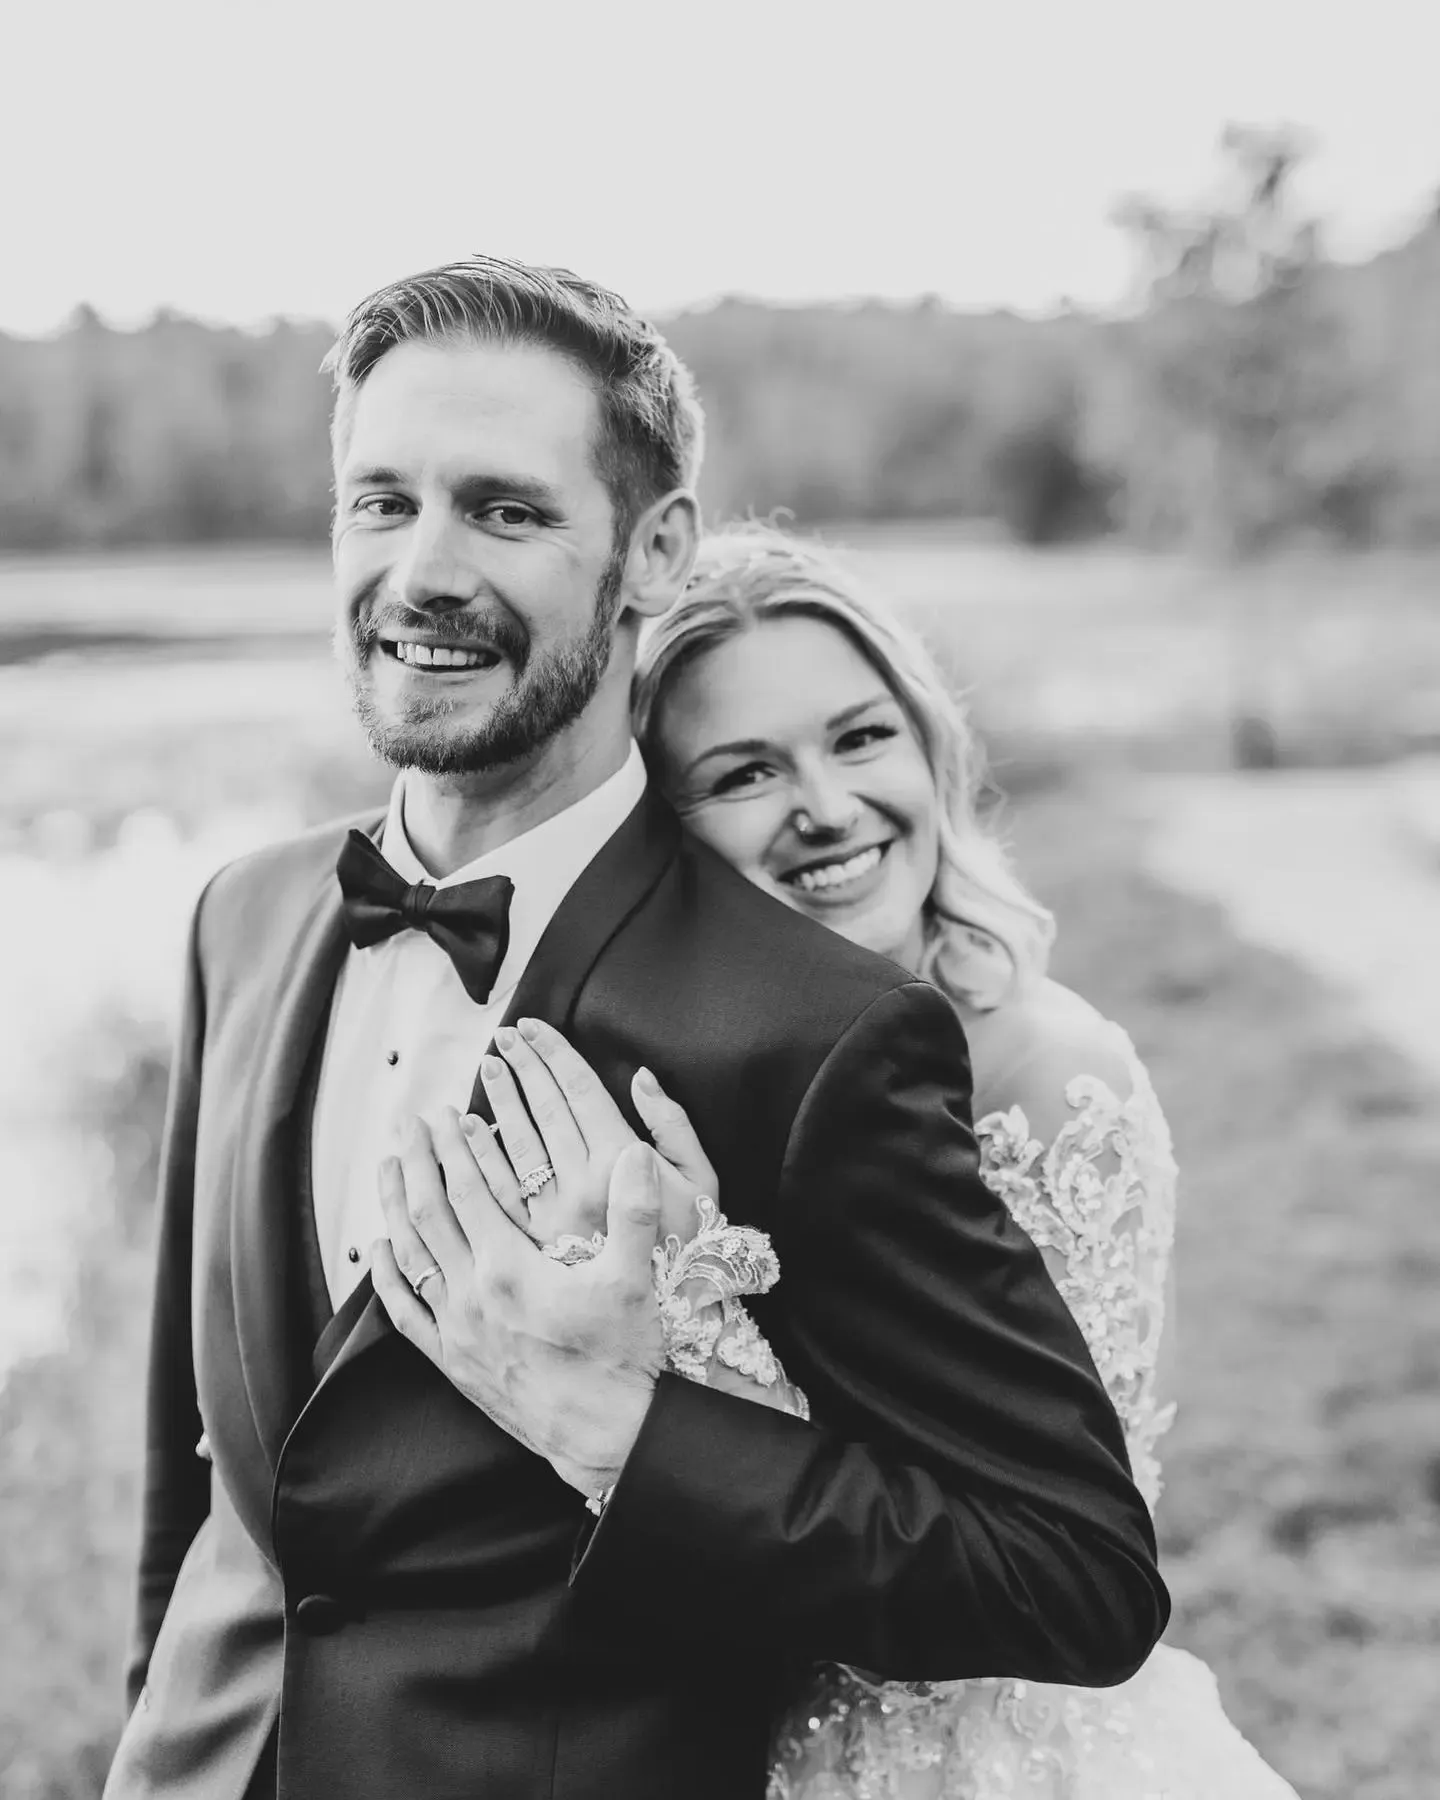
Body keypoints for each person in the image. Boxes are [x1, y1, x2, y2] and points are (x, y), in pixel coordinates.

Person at [104, 260, 1166, 1800]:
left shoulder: (821, 1035)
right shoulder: (243, 917)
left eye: (508, 511)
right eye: (380, 502)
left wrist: (619, 1427)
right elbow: (192, 1474)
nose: (424, 572)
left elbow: (1073, 1571)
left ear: (653, 547)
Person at [402, 521, 1297, 1797]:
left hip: (984, 1740)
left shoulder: (1046, 1078)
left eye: (861, 737)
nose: (827, 809)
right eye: (745, 773)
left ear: (929, 745)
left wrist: (697, 1324)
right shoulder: (673, 1082)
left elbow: (1019, 1539)